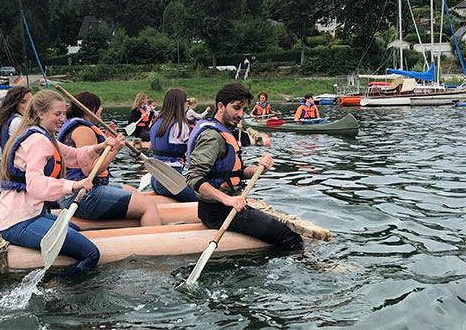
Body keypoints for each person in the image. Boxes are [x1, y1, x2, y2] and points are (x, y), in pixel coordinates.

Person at [0, 90, 125, 275]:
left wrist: (100, 147)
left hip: (32, 214)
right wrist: (74, 185)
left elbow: (73, 156)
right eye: (57, 114)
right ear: (40, 113)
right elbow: (35, 184)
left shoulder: (44, 135)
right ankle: (60, 289)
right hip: (19, 222)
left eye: (64, 113)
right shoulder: (38, 140)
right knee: (90, 254)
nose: (62, 118)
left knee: (75, 229)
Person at [186, 82, 304, 251]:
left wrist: (260, 169)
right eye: (236, 108)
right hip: (219, 211)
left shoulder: (225, 131)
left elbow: (237, 172)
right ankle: (314, 268)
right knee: (289, 237)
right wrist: (228, 199)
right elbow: (193, 178)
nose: (241, 114)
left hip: (228, 206)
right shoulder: (212, 137)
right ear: (221, 106)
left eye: (244, 109)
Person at [57, 92, 161, 225]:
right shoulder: (84, 130)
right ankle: (152, 242)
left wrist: (106, 142)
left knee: (132, 190)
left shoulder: (75, 125)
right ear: (91, 110)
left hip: (77, 191)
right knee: (149, 205)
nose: (102, 109)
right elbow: (90, 170)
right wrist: (116, 149)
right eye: (99, 106)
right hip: (81, 195)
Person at [149, 88, 197, 202]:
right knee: (204, 197)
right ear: (180, 103)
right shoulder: (180, 125)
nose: (188, 104)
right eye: (186, 101)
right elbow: (193, 150)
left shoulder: (157, 122)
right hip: (171, 179)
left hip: (155, 178)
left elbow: (150, 147)